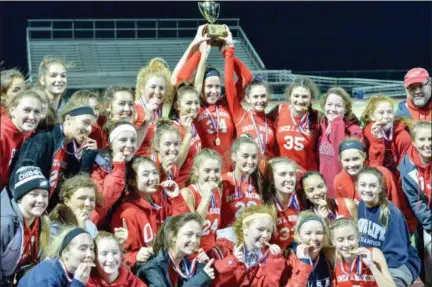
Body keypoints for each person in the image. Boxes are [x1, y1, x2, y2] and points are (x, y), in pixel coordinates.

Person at [9, 100, 98, 208]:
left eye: (91, 125)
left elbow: (72, 189)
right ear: (68, 119)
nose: (89, 129)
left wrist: (87, 159)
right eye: (85, 122)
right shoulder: (44, 139)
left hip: (44, 209)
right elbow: (22, 177)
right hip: (24, 207)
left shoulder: (70, 150)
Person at [110, 157, 189, 268]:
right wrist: (135, 256)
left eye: (154, 173)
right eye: (146, 174)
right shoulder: (127, 213)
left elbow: (184, 225)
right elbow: (118, 254)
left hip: (166, 266)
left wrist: (176, 197)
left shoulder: (160, 204)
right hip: (143, 273)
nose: (152, 178)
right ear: (132, 181)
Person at [210, 205, 313, 287]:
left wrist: (275, 263)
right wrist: (232, 261)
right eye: (260, 229)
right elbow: (214, 283)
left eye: (269, 231)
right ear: (245, 228)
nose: (265, 235)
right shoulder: (221, 250)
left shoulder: (269, 255)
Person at [334, 138, 418, 234]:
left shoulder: (382, 174)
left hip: (390, 228)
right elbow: (344, 212)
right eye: (347, 160)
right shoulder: (339, 181)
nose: (352, 164)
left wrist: (401, 233)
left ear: (364, 156)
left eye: (356, 159)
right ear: (340, 160)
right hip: (361, 233)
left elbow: (397, 205)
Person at [356, 167, 421, 287]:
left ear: (380, 188)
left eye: (372, 186)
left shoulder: (391, 213)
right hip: (371, 261)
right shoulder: (360, 205)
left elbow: (397, 255)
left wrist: (373, 268)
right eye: (363, 185)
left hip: (398, 264)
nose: (367, 189)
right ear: (357, 186)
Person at [224, 28, 275, 173]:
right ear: (248, 98)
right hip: (245, 174)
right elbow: (228, 82)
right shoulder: (240, 115)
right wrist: (228, 52)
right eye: (256, 97)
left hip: (266, 178)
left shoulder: (271, 121)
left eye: (263, 96)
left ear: (268, 97)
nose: (260, 100)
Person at [0, 165, 50, 285]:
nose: (41, 200)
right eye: (34, 194)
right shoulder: (5, 224)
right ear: (19, 197)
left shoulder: (42, 221)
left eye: (45, 195)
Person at [135, 213, 215, 287]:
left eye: (198, 236)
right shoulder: (153, 266)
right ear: (173, 236)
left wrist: (201, 267)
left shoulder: (184, 262)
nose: (194, 240)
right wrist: (201, 277)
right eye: (189, 234)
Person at [398, 121, 431, 286]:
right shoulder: (407, 168)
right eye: (422, 139)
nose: (427, 144)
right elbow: (418, 205)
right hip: (427, 220)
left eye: (431, 139)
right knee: (428, 250)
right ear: (414, 142)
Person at [90, 120, 138, 227]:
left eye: (133, 140)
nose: (129, 145)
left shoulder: (134, 165)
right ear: (110, 144)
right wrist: (118, 169)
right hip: (95, 226)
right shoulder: (97, 164)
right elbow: (103, 203)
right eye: (123, 140)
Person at [319, 87, 363, 197]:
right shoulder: (321, 126)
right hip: (324, 189)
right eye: (329, 104)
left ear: (346, 109)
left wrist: (337, 123)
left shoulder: (354, 131)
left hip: (345, 190)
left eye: (338, 106)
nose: (332, 109)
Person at [17, 227, 95, 287]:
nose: (90, 254)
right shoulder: (47, 275)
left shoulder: (72, 274)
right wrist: (78, 284)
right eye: (82, 249)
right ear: (65, 253)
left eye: (92, 249)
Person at [273, 76, 321, 173]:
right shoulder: (279, 110)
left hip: (307, 175)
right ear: (289, 96)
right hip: (284, 174)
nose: (300, 100)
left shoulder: (317, 116)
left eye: (305, 97)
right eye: (296, 96)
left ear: (311, 98)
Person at [330, 217, 396, 287]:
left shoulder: (374, 254)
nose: (346, 244)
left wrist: (371, 266)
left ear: (358, 238)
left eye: (351, 238)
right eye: (340, 240)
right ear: (333, 242)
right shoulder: (333, 256)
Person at [1, 90, 44, 192]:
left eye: (37, 112)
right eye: (26, 110)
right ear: (12, 111)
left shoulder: (30, 135)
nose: (32, 117)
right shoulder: (2, 134)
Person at [219, 135, 262, 234]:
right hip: (227, 239)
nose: (250, 161)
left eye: (254, 157)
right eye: (245, 156)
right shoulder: (222, 181)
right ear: (234, 156)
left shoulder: (259, 184)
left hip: (252, 239)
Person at [362, 94, 412, 176]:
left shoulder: (402, 137)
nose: (386, 116)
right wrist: (377, 141)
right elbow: (373, 168)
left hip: (396, 180)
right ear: (372, 116)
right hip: (374, 178)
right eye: (381, 113)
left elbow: (405, 171)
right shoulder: (366, 135)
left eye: (389, 112)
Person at [135, 58, 174, 157]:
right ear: (142, 87)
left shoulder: (160, 111)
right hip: (137, 168)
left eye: (161, 88)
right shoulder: (133, 109)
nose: (157, 92)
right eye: (153, 87)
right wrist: (147, 118)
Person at [262, 157, 302, 250]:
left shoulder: (301, 200)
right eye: (282, 174)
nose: (288, 179)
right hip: (275, 258)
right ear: (271, 179)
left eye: (292, 174)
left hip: (298, 257)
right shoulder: (265, 205)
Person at [168, 83, 202, 188]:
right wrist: (187, 135)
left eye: (196, 103)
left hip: (193, 186)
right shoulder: (172, 129)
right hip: (179, 188)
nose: (194, 107)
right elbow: (175, 165)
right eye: (188, 103)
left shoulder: (192, 125)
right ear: (177, 106)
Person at [293, 211, 334, 287]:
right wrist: (303, 262)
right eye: (308, 233)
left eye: (319, 233)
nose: (314, 238)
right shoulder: (289, 260)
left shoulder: (330, 255)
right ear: (298, 236)